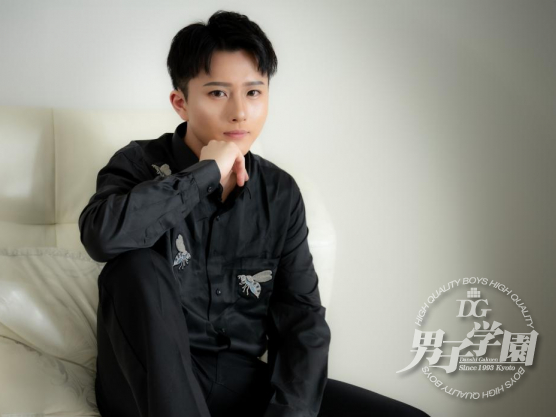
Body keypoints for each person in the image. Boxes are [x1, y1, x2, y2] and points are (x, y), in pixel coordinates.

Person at [79, 9, 430, 417]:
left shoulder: (279, 193)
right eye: (217, 93)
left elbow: (302, 322)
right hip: (143, 383)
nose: (240, 112)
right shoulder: (139, 163)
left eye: (253, 93)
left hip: (233, 380)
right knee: (136, 266)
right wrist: (205, 173)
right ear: (181, 103)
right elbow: (101, 237)